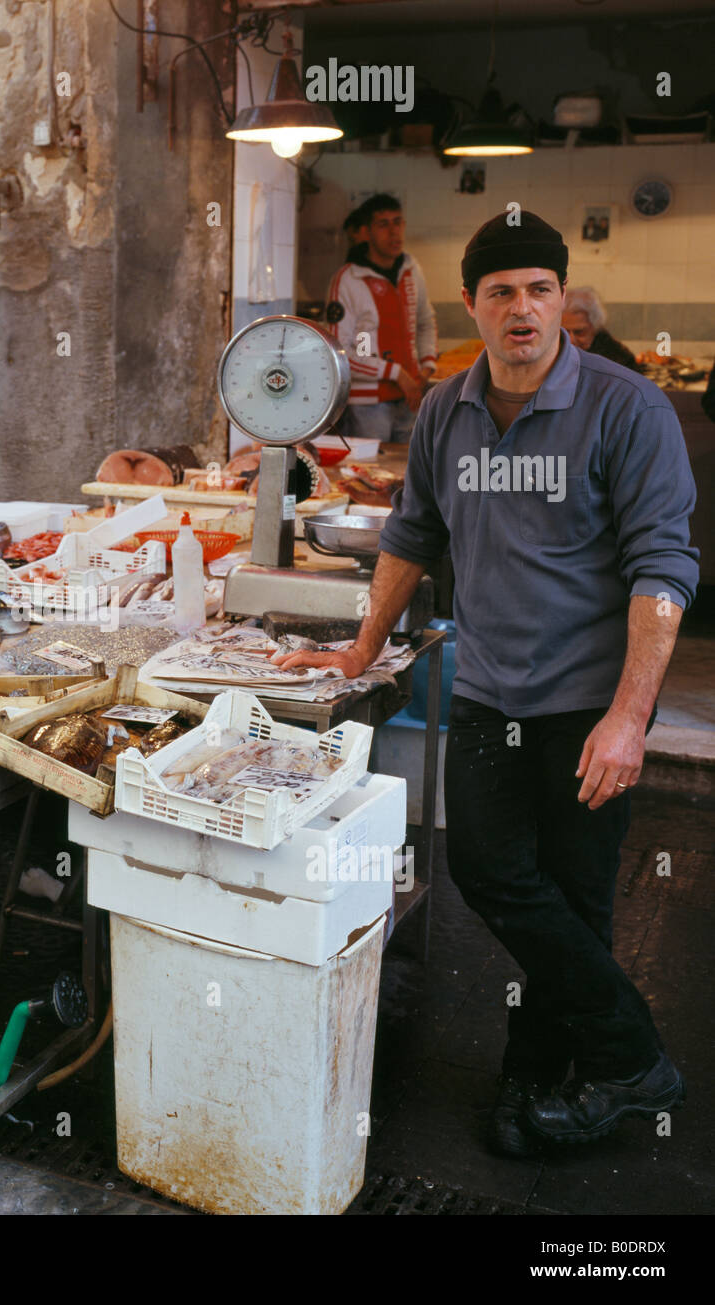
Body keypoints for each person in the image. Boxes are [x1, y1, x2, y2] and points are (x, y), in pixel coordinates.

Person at [276, 210, 698, 1157]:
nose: (522, 309)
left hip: (590, 702)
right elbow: (410, 537)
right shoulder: (448, 410)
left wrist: (630, 718)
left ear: (561, 299)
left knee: (576, 894)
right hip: (488, 688)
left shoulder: (629, 410)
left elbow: (662, 572)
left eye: (539, 289)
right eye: (501, 291)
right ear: (471, 303)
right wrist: (358, 650)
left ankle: (539, 1071)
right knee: (491, 870)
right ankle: (632, 1057)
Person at [323, 194, 438, 444]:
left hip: (410, 397)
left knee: (409, 472)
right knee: (371, 473)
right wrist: (396, 372)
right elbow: (338, 353)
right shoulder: (347, 279)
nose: (394, 232)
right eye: (383, 224)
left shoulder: (411, 269)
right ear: (366, 232)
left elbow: (425, 322)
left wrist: (426, 367)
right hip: (368, 405)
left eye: (398, 222)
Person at [562, 286, 643, 373]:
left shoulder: (617, 360)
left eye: (580, 332)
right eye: (563, 332)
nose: (570, 340)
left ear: (595, 327)